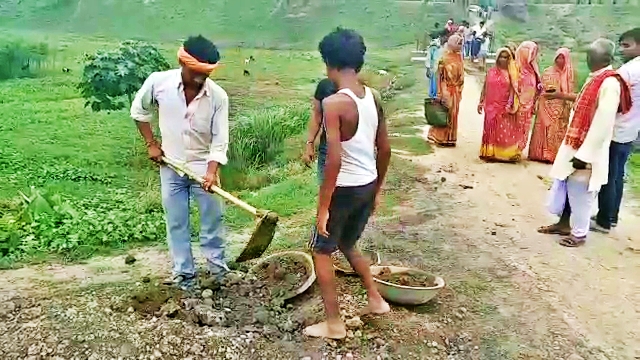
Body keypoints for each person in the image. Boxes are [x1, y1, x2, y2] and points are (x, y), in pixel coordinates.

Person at [304, 27, 392, 339]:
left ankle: (333, 323)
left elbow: (334, 160)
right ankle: (375, 299)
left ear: (327, 62)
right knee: (348, 243)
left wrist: (323, 207)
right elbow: (385, 149)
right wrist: (377, 190)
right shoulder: (374, 97)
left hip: (344, 188)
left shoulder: (334, 104)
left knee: (321, 249)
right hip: (367, 184)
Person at [130, 35, 229, 290]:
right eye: (195, 72)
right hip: (171, 164)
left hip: (203, 165)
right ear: (182, 63)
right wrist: (152, 144)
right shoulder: (158, 83)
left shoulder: (218, 97)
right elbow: (139, 112)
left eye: (204, 74)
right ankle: (184, 274)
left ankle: (218, 272)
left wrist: (211, 171)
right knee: (176, 221)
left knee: (212, 219)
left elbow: (220, 139)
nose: (199, 78)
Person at [547, 38, 631, 247]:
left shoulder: (609, 83)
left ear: (604, 59)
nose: (588, 59)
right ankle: (564, 223)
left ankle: (579, 233)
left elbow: (603, 123)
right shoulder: (595, 78)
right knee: (566, 184)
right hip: (575, 143)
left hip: (587, 150)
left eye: (592, 55)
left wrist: (584, 155)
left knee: (581, 191)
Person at [592, 28, 640, 233]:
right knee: (618, 174)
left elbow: (611, 102)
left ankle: (603, 219)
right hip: (631, 130)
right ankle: (611, 215)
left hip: (616, 129)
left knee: (608, 175)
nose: (622, 49)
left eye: (626, 45)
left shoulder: (627, 72)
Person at [529, 48, 577, 163]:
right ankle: (540, 154)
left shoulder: (569, 75)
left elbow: (571, 91)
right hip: (547, 105)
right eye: (558, 58)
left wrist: (562, 98)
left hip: (563, 106)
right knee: (545, 130)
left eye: (563, 58)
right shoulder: (548, 72)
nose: (560, 60)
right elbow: (544, 90)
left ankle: (553, 155)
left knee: (557, 131)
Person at [478, 47, 521, 162]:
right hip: (490, 106)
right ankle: (488, 152)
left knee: (502, 130)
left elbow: (513, 89)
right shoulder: (491, 72)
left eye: (506, 57)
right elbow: (485, 87)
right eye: (501, 57)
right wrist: (481, 101)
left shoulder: (511, 74)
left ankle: (503, 154)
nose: (503, 59)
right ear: (497, 58)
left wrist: (510, 103)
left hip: (503, 106)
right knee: (489, 128)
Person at [427, 34, 465, 147]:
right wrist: (440, 92)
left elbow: (462, 76)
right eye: (458, 43)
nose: (460, 46)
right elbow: (440, 78)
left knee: (453, 114)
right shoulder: (444, 59)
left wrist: (459, 88)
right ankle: (440, 136)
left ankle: (450, 138)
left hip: (455, 91)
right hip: (446, 90)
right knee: (444, 112)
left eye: (461, 44)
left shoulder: (459, 58)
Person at [302, 78, 337, 182]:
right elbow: (317, 116)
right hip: (327, 148)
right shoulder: (324, 86)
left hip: (351, 149)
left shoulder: (357, 89)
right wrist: (309, 144)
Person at [515, 41, 542, 152]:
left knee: (524, 126)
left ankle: (519, 148)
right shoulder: (516, 70)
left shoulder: (533, 69)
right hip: (517, 106)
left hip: (528, 107)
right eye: (532, 53)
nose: (533, 56)